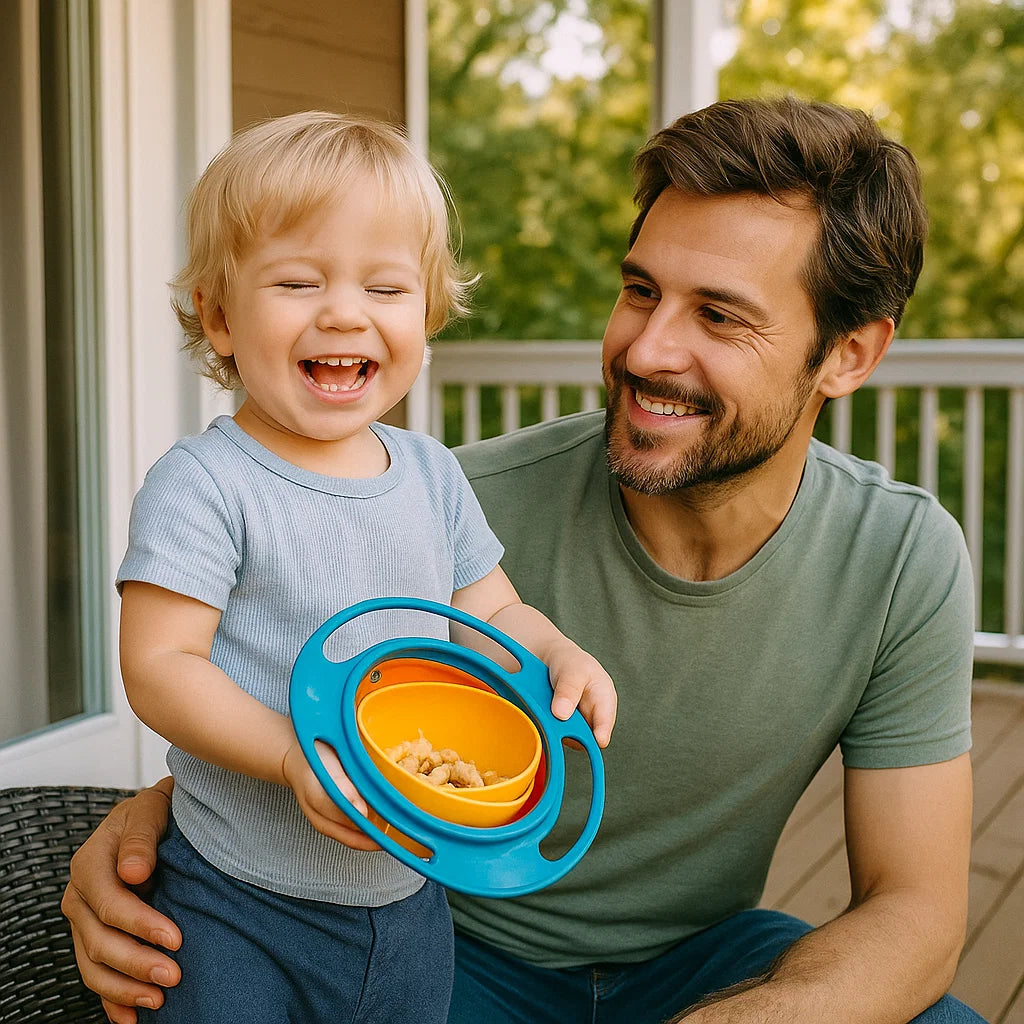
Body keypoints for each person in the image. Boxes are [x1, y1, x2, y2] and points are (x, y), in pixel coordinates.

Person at [63, 96, 984, 1024]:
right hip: (461, 943)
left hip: (696, 966)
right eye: (640, 291)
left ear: (849, 353)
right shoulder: (454, 489)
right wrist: (154, 830)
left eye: (719, 315)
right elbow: (243, 670)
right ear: (220, 318)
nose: (649, 347)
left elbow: (916, 907)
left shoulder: (902, 557)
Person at [103, 111, 616, 1024]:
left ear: (425, 316)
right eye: (298, 281)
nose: (344, 312)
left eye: (386, 288)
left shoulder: (430, 472)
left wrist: (554, 656)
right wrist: (293, 755)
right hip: (233, 902)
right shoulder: (205, 483)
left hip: (408, 895)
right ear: (220, 318)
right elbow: (159, 666)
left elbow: (490, 610)